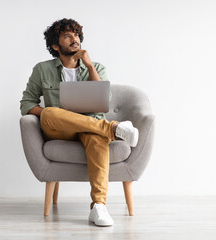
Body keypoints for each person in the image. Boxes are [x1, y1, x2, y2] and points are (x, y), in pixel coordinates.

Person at [20, 18, 138, 227]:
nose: (74, 38)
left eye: (76, 34)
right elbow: (26, 103)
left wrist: (90, 66)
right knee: (49, 113)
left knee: (97, 138)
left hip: (90, 125)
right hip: (59, 129)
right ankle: (113, 129)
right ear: (55, 46)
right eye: (67, 35)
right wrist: (47, 112)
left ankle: (98, 206)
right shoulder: (42, 69)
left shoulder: (97, 67)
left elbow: (105, 102)